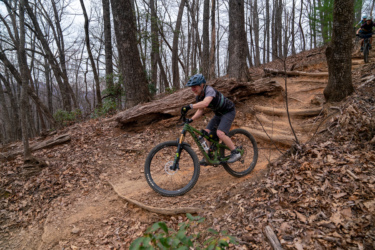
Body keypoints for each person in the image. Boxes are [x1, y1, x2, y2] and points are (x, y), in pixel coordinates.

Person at [181, 74, 241, 164]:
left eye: (194, 87)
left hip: (228, 111)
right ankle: (210, 155)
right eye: (191, 87)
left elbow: (205, 103)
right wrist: (191, 119)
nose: (193, 89)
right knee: (206, 133)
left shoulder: (209, 90)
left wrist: (190, 106)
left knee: (220, 133)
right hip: (218, 114)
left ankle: (235, 152)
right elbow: (200, 110)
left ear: (201, 85)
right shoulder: (199, 96)